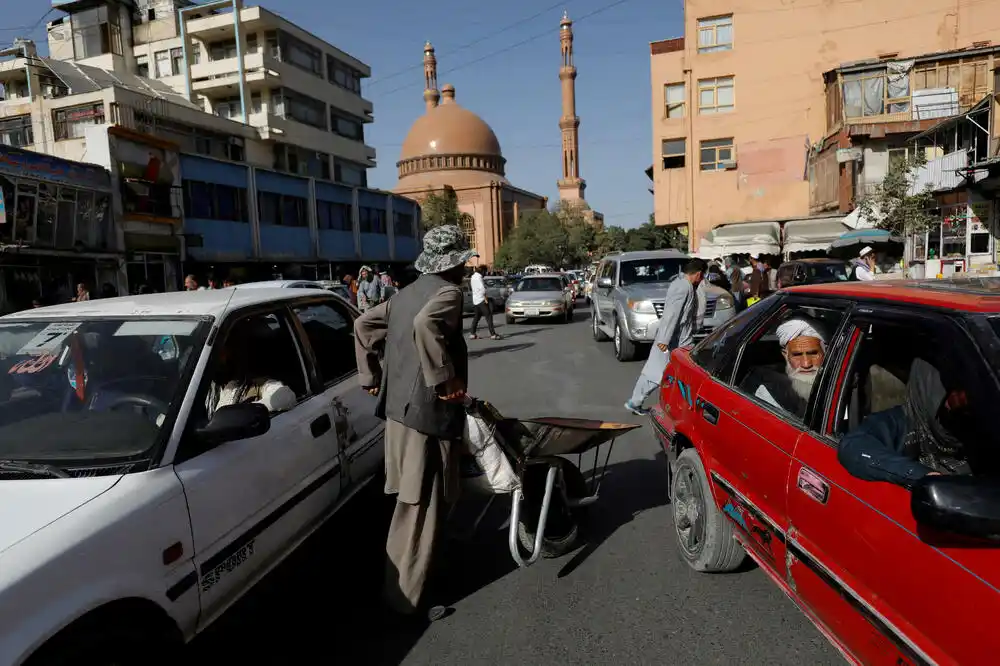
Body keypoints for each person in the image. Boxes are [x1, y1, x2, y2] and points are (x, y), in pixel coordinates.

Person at [354, 224, 474, 623]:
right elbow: (426, 326)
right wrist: (445, 380)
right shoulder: (449, 293)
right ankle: (404, 602)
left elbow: (362, 325)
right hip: (425, 416)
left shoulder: (403, 293)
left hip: (398, 414)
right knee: (418, 506)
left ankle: (419, 575)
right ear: (454, 263)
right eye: (462, 261)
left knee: (416, 500)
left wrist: (370, 377)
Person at [838, 358, 971, 488]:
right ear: (931, 388)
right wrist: (924, 476)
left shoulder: (976, 426)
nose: (962, 399)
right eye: (954, 390)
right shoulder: (901, 422)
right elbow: (853, 446)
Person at [625, 258, 706, 415]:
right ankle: (637, 402)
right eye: (702, 276)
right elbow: (671, 314)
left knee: (661, 371)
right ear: (698, 274)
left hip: (678, 338)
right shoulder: (682, 287)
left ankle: (636, 402)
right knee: (661, 371)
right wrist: (664, 340)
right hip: (674, 339)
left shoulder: (684, 284)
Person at [206, 319, 296, 418]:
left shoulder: (258, 385)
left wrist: (245, 411)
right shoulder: (205, 383)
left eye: (222, 353)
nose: (215, 359)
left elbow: (286, 397)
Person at [744, 317, 828, 417]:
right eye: (797, 355)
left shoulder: (843, 379)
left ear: (825, 352)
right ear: (785, 355)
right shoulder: (769, 391)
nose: (806, 364)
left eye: (813, 353)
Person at [469, 266, 501, 340]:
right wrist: (485, 295)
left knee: (476, 317)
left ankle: (472, 334)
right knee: (489, 316)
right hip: (481, 300)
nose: (485, 273)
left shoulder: (473, 277)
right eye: (485, 272)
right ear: (482, 271)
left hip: (475, 300)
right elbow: (482, 289)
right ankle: (493, 334)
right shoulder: (479, 277)